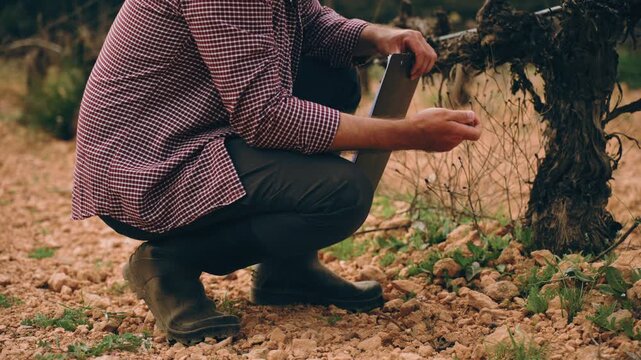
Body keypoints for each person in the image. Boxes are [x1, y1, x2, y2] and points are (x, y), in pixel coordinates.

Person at [72, 0, 482, 346]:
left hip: (197, 125)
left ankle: (288, 271)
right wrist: (408, 133)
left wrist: (374, 35)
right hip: (150, 162)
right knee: (341, 195)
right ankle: (169, 261)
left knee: (331, 73)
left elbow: (308, 22)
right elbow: (265, 116)